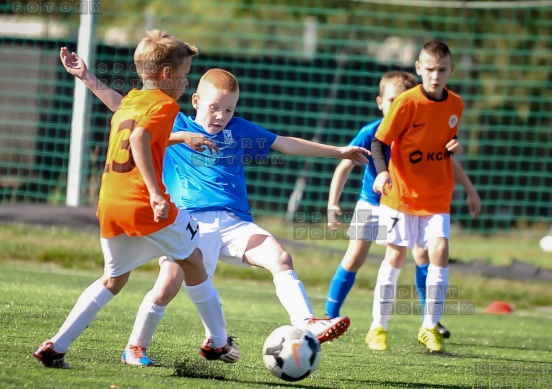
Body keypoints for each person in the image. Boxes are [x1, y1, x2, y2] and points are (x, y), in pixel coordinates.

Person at [60, 51, 371, 366]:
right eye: (214, 107)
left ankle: (307, 322)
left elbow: (285, 143)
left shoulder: (239, 130)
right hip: (190, 223)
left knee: (280, 257)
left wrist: (339, 152)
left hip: (235, 224)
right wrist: (87, 77)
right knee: (167, 284)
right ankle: (136, 347)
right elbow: (121, 106)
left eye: (228, 109)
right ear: (195, 101)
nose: (221, 115)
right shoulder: (174, 121)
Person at [34, 30, 240, 369]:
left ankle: (56, 345)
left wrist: (86, 76)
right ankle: (218, 341)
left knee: (113, 279)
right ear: (166, 75)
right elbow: (142, 138)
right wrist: (157, 193)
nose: (186, 83)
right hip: (143, 203)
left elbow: (124, 115)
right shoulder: (163, 103)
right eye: (185, 75)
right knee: (195, 260)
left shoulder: (133, 100)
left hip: (110, 203)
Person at [325, 71, 481, 351]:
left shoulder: (417, 129)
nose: (397, 105)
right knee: (356, 256)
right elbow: (345, 164)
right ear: (380, 102)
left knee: (423, 254)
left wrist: (469, 188)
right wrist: (332, 202)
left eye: (401, 100)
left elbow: (446, 160)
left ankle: (430, 321)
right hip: (371, 203)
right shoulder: (371, 132)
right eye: (391, 100)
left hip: (405, 203)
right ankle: (329, 315)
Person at [370, 41, 464, 353]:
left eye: (441, 69)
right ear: (418, 69)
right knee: (395, 257)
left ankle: (428, 326)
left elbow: (444, 140)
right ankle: (378, 327)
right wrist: (382, 172)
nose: (435, 76)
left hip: (437, 197)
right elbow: (379, 143)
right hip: (401, 196)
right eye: (429, 69)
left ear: (451, 70)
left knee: (440, 250)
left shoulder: (456, 105)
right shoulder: (407, 103)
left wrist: (454, 146)